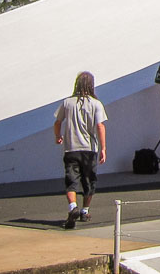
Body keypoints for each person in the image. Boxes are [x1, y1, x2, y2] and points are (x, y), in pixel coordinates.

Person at [53, 71, 107, 228]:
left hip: (71, 149)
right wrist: (103, 148)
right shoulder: (96, 104)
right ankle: (85, 210)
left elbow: (57, 122)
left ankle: (72, 207)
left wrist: (58, 136)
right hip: (89, 149)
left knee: (71, 180)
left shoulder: (67, 103)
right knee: (89, 180)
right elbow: (100, 126)